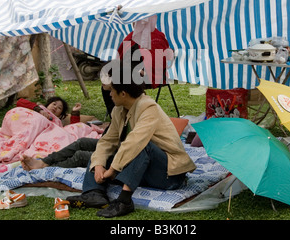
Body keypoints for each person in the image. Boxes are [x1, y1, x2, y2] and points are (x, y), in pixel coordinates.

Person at [69, 59, 196, 218]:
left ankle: (124, 201)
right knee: (100, 152)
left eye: (112, 90)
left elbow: (135, 142)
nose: (109, 94)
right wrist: (100, 165)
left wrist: (113, 169)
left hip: (169, 175)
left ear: (123, 93)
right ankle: (94, 194)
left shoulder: (149, 107)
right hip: (143, 170)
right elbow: (108, 141)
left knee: (143, 146)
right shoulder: (119, 110)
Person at [101, 15, 173, 116]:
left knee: (124, 83)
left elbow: (161, 61)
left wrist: (143, 71)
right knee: (107, 82)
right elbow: (121, 57)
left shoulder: (157, 37)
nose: (134, 23)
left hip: (148, 75)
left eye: (137, 21)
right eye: (134, 21)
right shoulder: (131, 37)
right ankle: (114, 115)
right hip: (128, 72)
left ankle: (130, 113)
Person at [16, 97, 81, 124]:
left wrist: (75, 112)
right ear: (47, 105)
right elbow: (20, 102)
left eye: (59, 108)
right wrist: (39, 110)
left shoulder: (57, 122)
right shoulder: (38, 108)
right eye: (54, 104)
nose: (55, 107)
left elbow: (74, 128)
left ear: (60, 115)